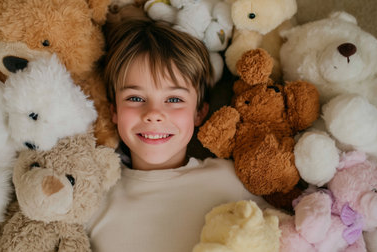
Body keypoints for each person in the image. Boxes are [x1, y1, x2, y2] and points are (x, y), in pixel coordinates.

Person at [87, 18, 267, 252]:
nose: (153, 114)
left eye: (174, 100)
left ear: (199, 113)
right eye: (135, 98)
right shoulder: (93, 198)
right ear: (114, 111)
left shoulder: (230, 180)